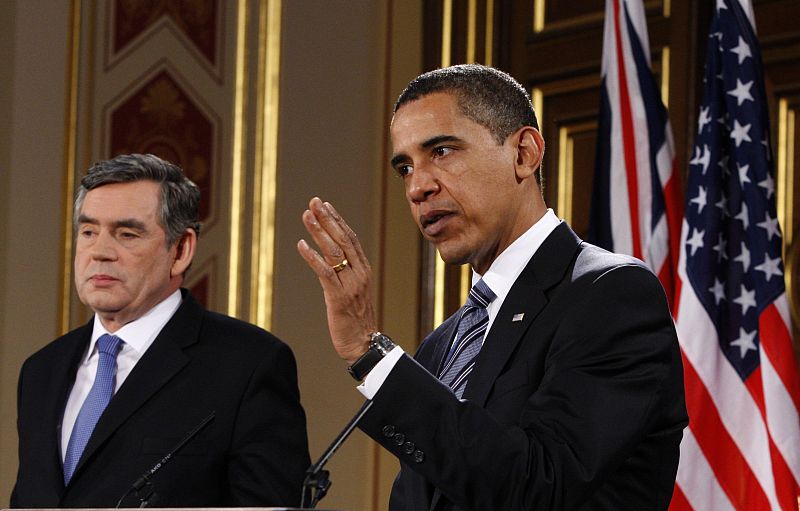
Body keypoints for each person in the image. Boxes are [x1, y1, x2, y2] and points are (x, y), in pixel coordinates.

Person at [298, 64, 687, 510]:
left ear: (524, 153)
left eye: (442, 151)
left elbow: (539, 487)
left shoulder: (612, 296)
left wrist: (372, 355)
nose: (417, 187)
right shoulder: (441, 347)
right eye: (405, 167)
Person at [12, 154, 310, 508]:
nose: (100, 252)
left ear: (181, 250)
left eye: (126, 234)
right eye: (89, 231)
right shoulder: (41, 370)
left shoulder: (248, 365)